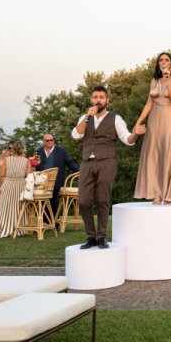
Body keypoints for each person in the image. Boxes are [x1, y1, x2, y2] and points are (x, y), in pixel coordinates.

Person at [71, 85, 143, 249]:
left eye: (101, 97)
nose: (98, 100)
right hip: (87, 162)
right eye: (95, 97)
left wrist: (136, 133)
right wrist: (87, 117)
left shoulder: (115, 118)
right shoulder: (85, 117)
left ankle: (101, 236)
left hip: (107, 162)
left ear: (107, 100)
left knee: (102, 200)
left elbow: (127, 140)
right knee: (83, 201)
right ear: (91, 100)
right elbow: (76, 134)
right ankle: (91, 236)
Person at [133, 52, 171, 205]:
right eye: (161, 60)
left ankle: (169, 193)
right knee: (154, 154)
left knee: (169, 152)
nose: (164, 62)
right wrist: (138, 122)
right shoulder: (154, 80)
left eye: (167, 60)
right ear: (158, 63)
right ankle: (156, 193)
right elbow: (149, 104)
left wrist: (167, 79)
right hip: (155, 118)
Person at [34, 133, 80, 216]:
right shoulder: (38, 152)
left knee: (54, 200)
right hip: (42, 182)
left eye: (51, 140)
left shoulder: (61, 151)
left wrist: (79, 171)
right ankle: (45, 221)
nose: (50, 142)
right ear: (43, 142)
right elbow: (35, 165)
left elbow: (69, 162)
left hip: (57, 181)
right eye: (47, 140)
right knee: (42, 200)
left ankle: (54, 221)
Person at [0, 141, 31, 238]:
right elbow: (29, 176)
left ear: (12, 149)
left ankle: (5, 228)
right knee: (19, 207)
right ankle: (20, 229)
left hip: (8, 184)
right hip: (21, 185)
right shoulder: (26, 161)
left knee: (6, 207)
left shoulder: (6, 160)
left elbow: (2, 175)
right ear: (22, 149)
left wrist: (1, 186)